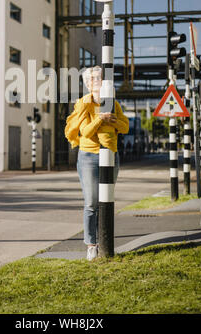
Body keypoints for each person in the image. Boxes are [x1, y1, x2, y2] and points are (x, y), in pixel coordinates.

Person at [65, 66, 129, 261]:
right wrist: (101, 120)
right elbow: (85, 132)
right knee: (92, 202)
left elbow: (124, 127)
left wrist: (113, 119)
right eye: (93, 78)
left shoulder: (112, 103)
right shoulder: (83, 104)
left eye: (100, 78)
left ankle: (105, 242)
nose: (97, 81)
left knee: (106, 201)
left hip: (110, 154)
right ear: (87, 83)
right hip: (89, 157)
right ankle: (91, 245)